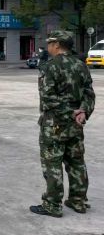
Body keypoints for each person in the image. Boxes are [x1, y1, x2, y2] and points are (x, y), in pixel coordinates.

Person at [30, 31, 96, 218]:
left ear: (57, 44)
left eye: (50, 43)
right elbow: (89, 94)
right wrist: (83, 112)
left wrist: (69, 112)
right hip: (76, 124)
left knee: (52, 163)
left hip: (55, 124)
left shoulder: (50, 66)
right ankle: (78, 200)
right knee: (76, 162)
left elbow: (48, 97)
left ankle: (52, 204)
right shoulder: (81, 65)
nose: (48, 47)